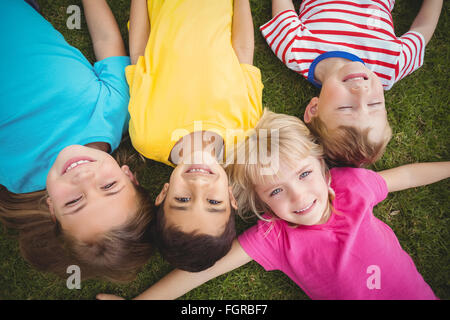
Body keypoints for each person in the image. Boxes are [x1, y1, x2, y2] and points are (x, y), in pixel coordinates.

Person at [97, 110, 449, 299]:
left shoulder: (353, 187)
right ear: (262, 204)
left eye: (304, 174)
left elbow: (403, 177)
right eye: (276, 192)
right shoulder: (274, 237)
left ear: (325, 169)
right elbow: (203, 271)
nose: (298, 196)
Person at [0, 0, 153, 282]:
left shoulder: (13, 173)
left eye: (73, 202)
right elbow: (106, 40)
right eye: (108, 186)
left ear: (51, 209)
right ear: (128, 176)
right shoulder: (115, 111)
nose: (84, 178)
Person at [126, 0, 263, 271]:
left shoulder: (146, 137)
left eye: (182, 200)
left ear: (163, 194)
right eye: (213, 202)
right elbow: (243, 53)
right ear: (231, 198)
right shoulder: (245, 132)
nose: (198, 185)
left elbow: (139, 56)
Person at [260, 0, 443, 167]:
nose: (362, 91)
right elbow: (423, 29)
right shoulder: (390, 65)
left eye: (346, 107)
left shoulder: (296, 50)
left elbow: (282, 9)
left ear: (314, 108)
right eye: (374, 104)